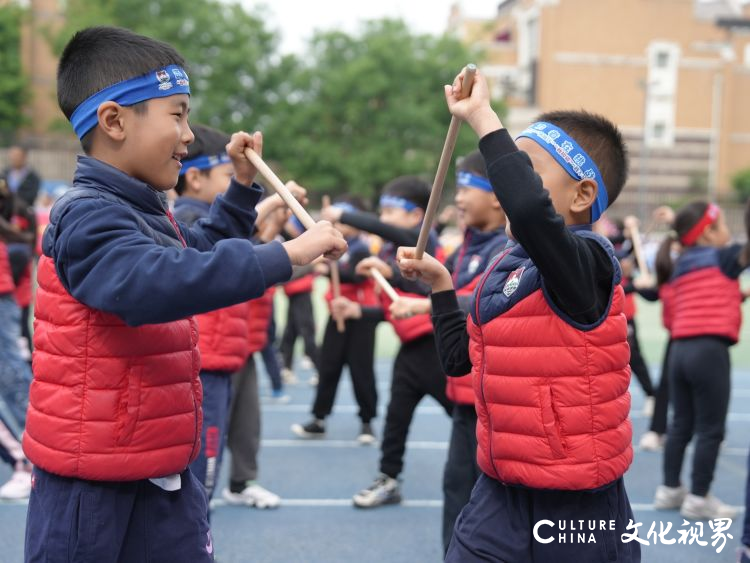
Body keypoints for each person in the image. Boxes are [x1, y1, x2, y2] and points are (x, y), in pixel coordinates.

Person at [22, 26, 346, 562]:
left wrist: (242, 189)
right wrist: (286, 255)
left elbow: (193, 253)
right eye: (177, 114)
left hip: (155, 462)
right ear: (114, 121)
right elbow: (158, 282)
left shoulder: (139, 210)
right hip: (95, 478)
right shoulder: (86, 213)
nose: (190, 135)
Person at [396, 69, 638, 561]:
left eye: (525, 172)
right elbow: (457, 360)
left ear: (582, 195)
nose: (502, 186)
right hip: (499, 490)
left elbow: (530, 214)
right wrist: (442, 287)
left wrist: (482, 117)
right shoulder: (507, 266)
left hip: (578, 504)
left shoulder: (589, 261)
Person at [390, 150, 508, 551]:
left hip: (496, 398)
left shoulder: (506, 251)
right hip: (464, 394)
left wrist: (426, 303)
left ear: (497, 196)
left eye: (466, 188)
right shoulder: (467, 249)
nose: (457, 199)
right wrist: (387, 271)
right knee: (456, 488)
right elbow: (439, 285)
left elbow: (477, 297)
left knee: (493, 500)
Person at [325, 175, 453, 508]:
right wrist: (359, 310)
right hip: (411, 350)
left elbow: (423, 296)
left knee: (467, 420)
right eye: (380, 211)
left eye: (390, 211)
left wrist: (343, 215)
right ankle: (388, 478)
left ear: (416, 217)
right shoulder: (396, 252)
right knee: (395, 419)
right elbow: (399, 309)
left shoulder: (424, 240)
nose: (383, 219)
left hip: (438, 350)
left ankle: (495, 473)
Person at [652, 200, 748, 520]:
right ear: (707, 233)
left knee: (680, 424)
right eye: (722, 226)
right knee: (711, 429)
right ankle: (698, 497)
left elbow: (696, 299)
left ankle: (669, 489)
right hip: (709, 350)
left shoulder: (681, 264)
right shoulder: (723, 257)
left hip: (679, 351)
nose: (728, 233)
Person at [292, 196, 379, 443]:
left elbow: (357, 276)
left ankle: (367, 421)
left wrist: (333, 270)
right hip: (337, 314)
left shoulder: (361, 247)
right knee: (328, 367)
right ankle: (319, 419)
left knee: (361, 371)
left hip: (359, 315)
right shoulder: (332, 245)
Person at [0, 180, 34, 499]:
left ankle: (31, 458)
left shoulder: (20, 211)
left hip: (3, 297)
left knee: (12, 377)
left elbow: (25, 240)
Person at [279, 214, 321, 386]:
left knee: (307, 333)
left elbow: (300, 269)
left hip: (302, 294)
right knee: (290, 333)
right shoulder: (292, 242)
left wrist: (311, 265)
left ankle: (321, 369)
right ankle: (287, 368)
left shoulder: (306, 245)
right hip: (293, 293)